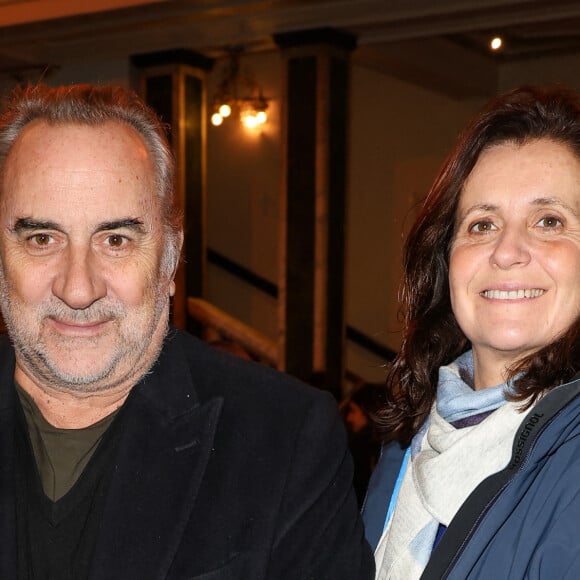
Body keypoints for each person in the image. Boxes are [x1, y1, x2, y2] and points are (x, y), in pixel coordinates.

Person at [0, 83, 374, 579]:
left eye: (115, 239)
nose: (77, 288)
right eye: (43, 238)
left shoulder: (283, 437)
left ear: (170, 257)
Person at [362, 85, 580, 579]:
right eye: (482, 225)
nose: (506, 252)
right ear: (445, 260)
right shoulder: (407, 445)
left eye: (549, 221)